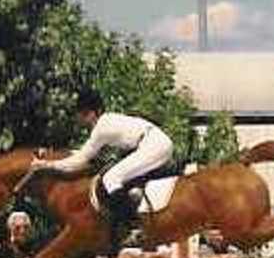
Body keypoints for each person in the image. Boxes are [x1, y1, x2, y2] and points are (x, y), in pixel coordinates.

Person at [30, 89, 175, 241]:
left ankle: (135, 226)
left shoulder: (101, 128)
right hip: (156, 142)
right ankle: (136, 203)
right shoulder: (109, 120)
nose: (81, 118)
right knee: (117, 174)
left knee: (110, 179)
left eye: (85, 113)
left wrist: (45, 164)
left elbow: (78, 162)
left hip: (153, 146)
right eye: (81, 114)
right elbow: (86, 154)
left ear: (95, 112)